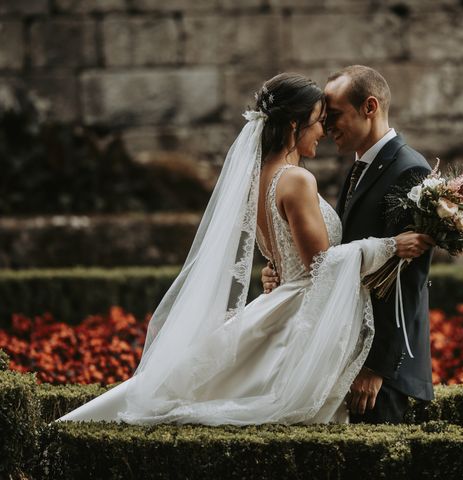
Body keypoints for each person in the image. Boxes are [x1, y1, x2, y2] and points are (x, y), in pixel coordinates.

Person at [56, 72, 431, 426]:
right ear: (292, 126)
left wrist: (278, 268)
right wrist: (388, 246)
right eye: (318, 120)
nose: (325, 129)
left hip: (285, 301)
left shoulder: (255, 180)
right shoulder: (297, 179)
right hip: (304, 311)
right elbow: (322, 267)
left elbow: (289, 254)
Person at [262, 66, 435, 424]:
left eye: (335, 115)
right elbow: (325, 255)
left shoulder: (408, 170)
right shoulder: (357, 168)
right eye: (322, 119)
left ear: (369, 107)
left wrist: (376, 366)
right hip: (340, 346)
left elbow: (407, 280)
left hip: (374, 370)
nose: (326, 128)